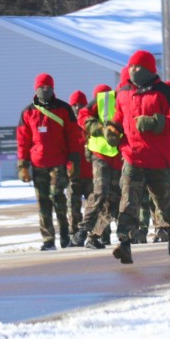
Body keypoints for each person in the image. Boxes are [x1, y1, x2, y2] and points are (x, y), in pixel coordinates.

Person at [104, 50, 170, 264]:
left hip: (158, 158)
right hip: (132, 156)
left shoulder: (165, 93)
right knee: (129, 200)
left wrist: (155, 122)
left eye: (138, 67)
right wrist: (112, 129)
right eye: (130, 66)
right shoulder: (123, 92)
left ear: (149, 69)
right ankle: (124, 243)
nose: (133, 70)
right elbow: (118, 118)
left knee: (162, 201)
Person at [17, 73, 82, 250]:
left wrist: (74, 161)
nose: (45, 90)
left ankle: (65, 236)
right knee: (43, 202)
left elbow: (73, 136)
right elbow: (23, 141)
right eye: (42, 87)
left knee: (58, 198)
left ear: (53, 88)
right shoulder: (28, 112)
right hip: (38, 164)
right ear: (36, 88)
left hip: (58, 163)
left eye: (48, 87)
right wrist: (23, 166)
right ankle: (48, 239)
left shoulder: (64, 109)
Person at [71, 83, 123, 249]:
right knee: (100, 194)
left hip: (118, 156)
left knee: (113, 202)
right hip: (101, 154)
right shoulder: (104, 97)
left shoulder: (131, 99)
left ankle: (94, 236)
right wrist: (99, 128)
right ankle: (82, 232)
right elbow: (83, 116)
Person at [67, 90, 94, 239]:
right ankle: (74, 236)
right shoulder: (67, 125)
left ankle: (98, 234)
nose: (77, 108)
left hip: (91, 173)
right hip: (74, 174)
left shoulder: (90, 123)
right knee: (73, 207)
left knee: (95, 206)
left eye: (81, 105)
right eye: (74, 105)